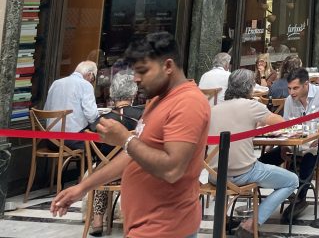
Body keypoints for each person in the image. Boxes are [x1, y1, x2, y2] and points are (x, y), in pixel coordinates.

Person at [51, 32, 211, 238]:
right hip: (145, 225)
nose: (136, 79)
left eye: (143, 71)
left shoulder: (188, 102)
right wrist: (84, 187)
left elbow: (172, 169)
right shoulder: (157, 99)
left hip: (166, 228)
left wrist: (124, 138)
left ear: (168, 66)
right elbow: (132, 154)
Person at [208, 69, 299, 238]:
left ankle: (225, 220)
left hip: (214, 175)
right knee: (292, 181)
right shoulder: (252, 106)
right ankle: (250, 225)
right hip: (242, 173)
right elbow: (281, 123)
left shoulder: (214, 109)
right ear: (250, 88)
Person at [261, 67, 319, 221]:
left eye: (295, 88)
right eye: (289, 88)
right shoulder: (290, 100)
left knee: (308, 158)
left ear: (306, 84)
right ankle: (288, 192)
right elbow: (287, 126)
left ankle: (301, 198)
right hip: (297, 143)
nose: (291, 92)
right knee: (265, 161)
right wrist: (283, 146)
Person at [88, 71, 142, 236]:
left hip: (106, 173)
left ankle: (97, 221)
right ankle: (134, 219)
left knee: (102, 165)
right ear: (133, 93)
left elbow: (93, 149)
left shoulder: (101, 121)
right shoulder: (142, 117)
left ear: (112, 93)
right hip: (133, 170)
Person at [42, 60, 101, 146]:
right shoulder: (86, 85)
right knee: (102, 143)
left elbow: (46, 111)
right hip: (71, 141)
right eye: (93, 79)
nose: (92, 82)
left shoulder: (56, 83)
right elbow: (92, 116)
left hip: (50, 141)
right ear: (90, 74)